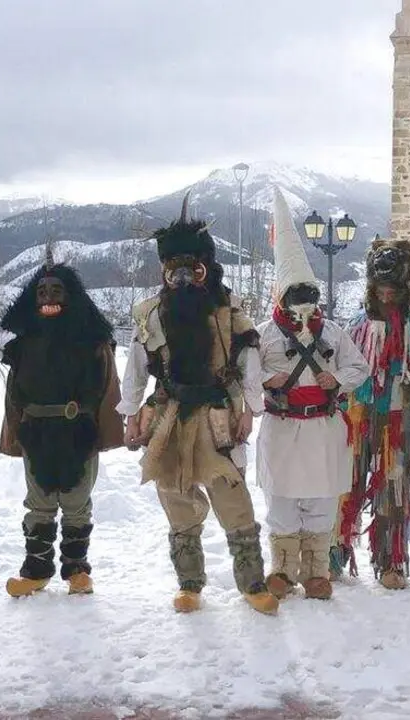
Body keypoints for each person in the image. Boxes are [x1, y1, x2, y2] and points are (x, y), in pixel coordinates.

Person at [117, 195, 278, 615]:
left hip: (218, 415)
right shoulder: (151, 315)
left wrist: (250, 409)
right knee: (176, 498)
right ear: (165, 271)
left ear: (207, 268)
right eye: (174, 270)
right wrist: (132, 413)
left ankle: (252, 582)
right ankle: (189, 583)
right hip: (170, 413)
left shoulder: (228, 311)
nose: (183, 278)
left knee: (233, 499)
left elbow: (250, 361)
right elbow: (136, 367)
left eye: (193, 269)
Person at [256, 190, 369, 601]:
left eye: (308, 293)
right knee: (283, 501)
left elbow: (360, 368)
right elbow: (246, 373)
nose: (303, 302)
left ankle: (317, 570)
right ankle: (282, 571)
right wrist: (268, 379)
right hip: (283, 427)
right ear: (283, 297)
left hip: (322, 427)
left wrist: (335, 380)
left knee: (321, 500)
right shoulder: (265, 336)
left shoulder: (334, 333)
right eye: (296, 294)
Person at [0, 247, 123, 597]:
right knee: (38, 503)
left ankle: (77, 570)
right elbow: (13, 395)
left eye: (56, 291)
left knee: (76, 503)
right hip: (36, 433)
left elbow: (106, 387)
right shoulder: (23, 345)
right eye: (41, 291)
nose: (48, 297)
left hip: (78, 432)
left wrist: (102, 429)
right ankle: (36, 570)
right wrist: (16, 432)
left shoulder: (92, 344)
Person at [335, 237, 410, 589]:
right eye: (380, 287)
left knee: (393, 491)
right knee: (347, 486)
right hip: (358, 419)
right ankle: (337, 549)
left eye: (394, 287)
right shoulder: (356, 326)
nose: (387, 294)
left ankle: (390, 559)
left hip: (397, 420)